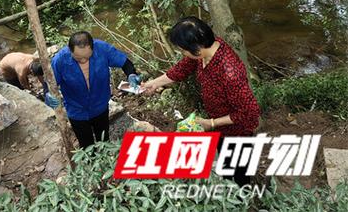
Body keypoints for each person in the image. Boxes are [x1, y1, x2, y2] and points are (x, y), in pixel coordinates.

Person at [142, 16, 261, 186]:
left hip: (238, 132)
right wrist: (153, 84)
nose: (183, 54)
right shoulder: (204, 50)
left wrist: (211, 123)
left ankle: (244, 197)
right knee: (226, 167)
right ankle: (229, 188)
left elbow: (250, 113)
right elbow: (181, 69)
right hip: (219, 126)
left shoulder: (229, 72)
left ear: (196, 47)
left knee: (239, 175)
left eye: (183, 50)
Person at [51, 31, 140, 148]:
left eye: (87, 57)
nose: (83, 60)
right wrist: (49, 96)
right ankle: (90, 163)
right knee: (86, 145)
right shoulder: (59, 60)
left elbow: (126, 63)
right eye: (78, 58)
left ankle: (105, 160)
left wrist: (131, 75)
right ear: (70, 50)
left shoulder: (102, 49)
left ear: (93, 48)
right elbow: (50, 84)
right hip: (76, 110)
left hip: (100, 106)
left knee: (103, 139)